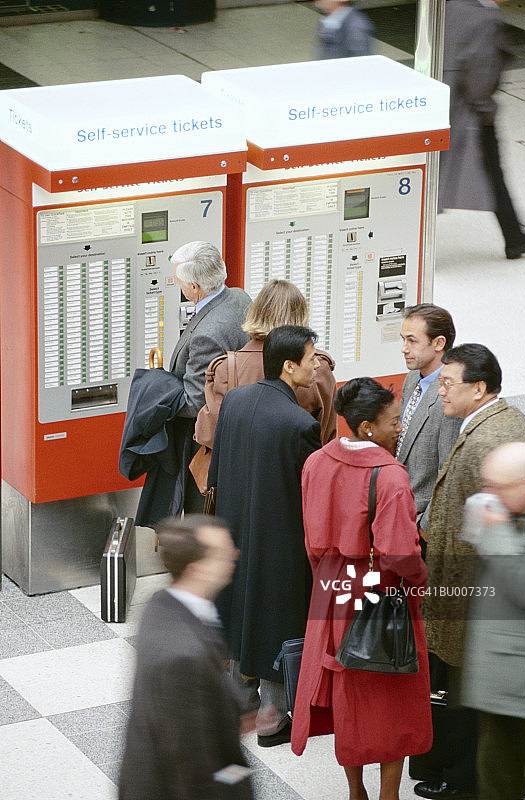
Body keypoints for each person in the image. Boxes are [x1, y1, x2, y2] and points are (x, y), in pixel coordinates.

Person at [291, 377, 432, 800]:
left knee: (346, 697)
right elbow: (399, 555)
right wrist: (421, 581)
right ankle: (389, 795)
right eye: (393, 421)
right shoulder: (389, 477)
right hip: (382, 593)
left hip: (333, 590)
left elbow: (312, 541)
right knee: (395, 702)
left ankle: (357, 792)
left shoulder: (316, 462)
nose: (399, 429)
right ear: (367, 426)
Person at [415, 344, 525, 800]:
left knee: (468, 706)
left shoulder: (488, 439)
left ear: (479, 389)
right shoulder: (493, 423)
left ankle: (462, 782)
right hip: (471, 597)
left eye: (447, 383)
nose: (438, 390)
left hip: (471, 601)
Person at [209, 325, 322, 747]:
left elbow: (217, 470)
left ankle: (241, 701)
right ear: (290, 367)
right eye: (311, 359)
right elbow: (310, 496)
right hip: (281, 541)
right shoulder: (300, 424)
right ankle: (274, 718)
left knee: (238, 609)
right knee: (278, 619)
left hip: (234, 529)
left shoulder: (236, 400)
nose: (316, 365)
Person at [119, 514, 254, 800]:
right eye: (222, 552)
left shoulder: (162, 606)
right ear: (196, 569)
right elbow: (195, 772)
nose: (235, 553)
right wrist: (239, 781)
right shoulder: (183, 658)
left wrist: (235, 714)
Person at [195, 279, 337, 451]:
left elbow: (210, 434)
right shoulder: (317, 367)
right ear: (301, 317)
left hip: (241, 471)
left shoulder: (226, 367)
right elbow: (327, 436)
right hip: (298, 471)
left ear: (256, 313)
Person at [461, 442, 525, 800]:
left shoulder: (505, 524)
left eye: (497, 487)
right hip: (502, 682)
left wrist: (498, 533)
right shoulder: (507, 514)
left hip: (518, 684)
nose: (489, 496)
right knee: (496, 776)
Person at [439, 0, 525, 260]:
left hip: (445, 106)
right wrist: (485, 108)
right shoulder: (485, 21)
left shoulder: (452, 6)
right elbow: (481, 71)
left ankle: (513, 235)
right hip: (470, 114)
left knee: (485, 173)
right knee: (493, 172)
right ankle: (513, 237)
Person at [168, 241, 251, 511]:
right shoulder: (238, 296)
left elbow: (194, 402)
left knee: (199, 511)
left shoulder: (209, 334)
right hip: (240, 427)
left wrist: (160, 402)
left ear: (194, 288)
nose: (177, 285)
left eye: (179, 281)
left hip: (208, 441)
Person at [397, 304, 461, 555]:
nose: (404, 348)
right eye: (403, 340)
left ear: (439, 343)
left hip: (423, 526)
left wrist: (425, 527)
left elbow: (448, 472)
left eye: (412, 341)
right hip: (403, 515)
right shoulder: (413, 377)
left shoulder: (450, 396)